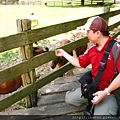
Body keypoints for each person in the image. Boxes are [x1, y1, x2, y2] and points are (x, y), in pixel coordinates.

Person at [55, 16, 120, 115]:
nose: (86, 35)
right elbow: (79, 63)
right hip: (93, 88)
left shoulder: (117, 49)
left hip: (110, 93)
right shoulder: (92, 50)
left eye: (88, 32)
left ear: (97, 33)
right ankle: (95, 103)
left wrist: (105, 92)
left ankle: (102, 106)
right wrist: (64, 54)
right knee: (70, 99)